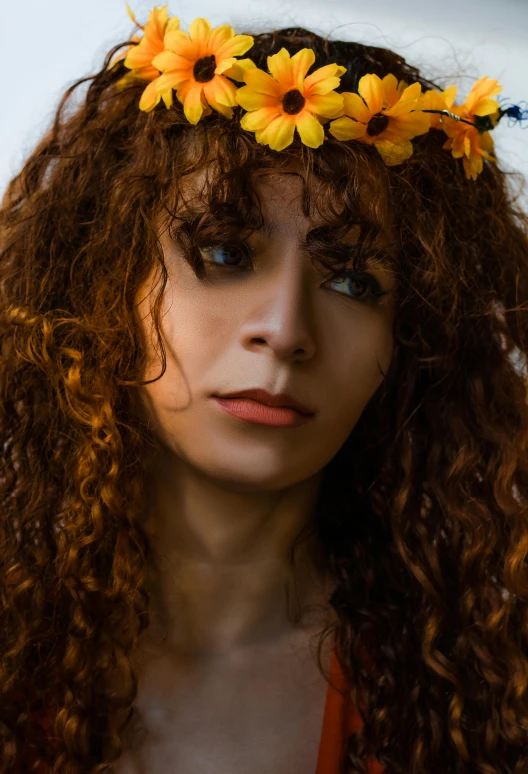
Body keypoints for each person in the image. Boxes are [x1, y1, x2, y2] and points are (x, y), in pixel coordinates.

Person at [1, 5, 527, 773]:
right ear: (101, 283)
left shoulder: (489, 691)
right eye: (221, 251)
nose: (284, 330)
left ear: (411, 342)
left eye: (353, 279)